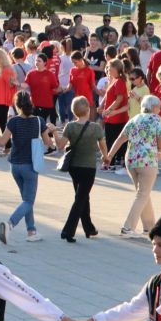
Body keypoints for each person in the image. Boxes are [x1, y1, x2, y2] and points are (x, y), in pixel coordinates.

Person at [0, 91, 55, 243]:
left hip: (15, 165)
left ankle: (31, 231)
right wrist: (50, 130)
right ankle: (10, 224)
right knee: (28, 201)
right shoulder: (39, 121)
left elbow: (2, 142)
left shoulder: (13, 121)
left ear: (17, 106)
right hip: (30, 166)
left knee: (26, 199)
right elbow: (49, 143)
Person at [104, 94, 161, 237]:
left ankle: (150, 227)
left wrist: (109, 156)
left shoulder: (134, 118)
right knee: (142, 194)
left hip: (131, 160)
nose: (160, 109)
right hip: (147, 160)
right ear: (153, 107)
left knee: (143, 193)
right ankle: (128, 228)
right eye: (159, 106)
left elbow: (120, 139)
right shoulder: (156, 119)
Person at [51, 96, 108, 242]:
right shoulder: (95, 127)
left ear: (74, 111)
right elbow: (102, 144)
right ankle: (68, 231)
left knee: (83, 196)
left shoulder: (70, 126)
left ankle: (89, 228)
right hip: (89, 167)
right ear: (88, 110)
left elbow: (60, 146)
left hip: (74, 167)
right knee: (80, 198)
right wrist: (105, 156)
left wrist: (55, 132)